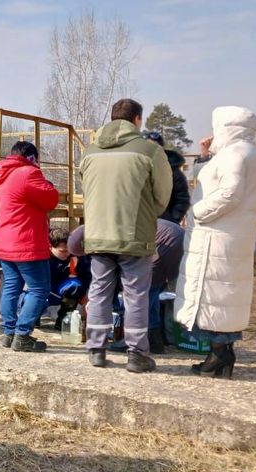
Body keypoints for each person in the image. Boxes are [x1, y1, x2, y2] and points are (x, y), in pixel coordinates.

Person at [80, 98, 172, 372]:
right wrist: (144, 213)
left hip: (98, 234)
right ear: (137, 120)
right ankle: (136, 354)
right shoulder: (150, 151)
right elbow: (162, 197)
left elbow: (88, 192)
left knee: (99, 292)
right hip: (134, 234)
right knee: (135, 295)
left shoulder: (90, 152)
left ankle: (96, 349)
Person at [175, 106, 256, 378]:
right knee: (224, 297)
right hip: (230, 236)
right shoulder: (249, 152)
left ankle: (219, 354)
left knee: (214, 296)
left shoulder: (235, 154)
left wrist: (199, 212)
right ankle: (222, 356)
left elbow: (229, 192)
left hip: (216, 237)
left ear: (228, 127)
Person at [0, 140, 59, 352]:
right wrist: (44, 178)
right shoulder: (29, 173)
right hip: (26, 243)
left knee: (11, 287)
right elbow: (51, 200)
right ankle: (22, 334)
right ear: (31, 157)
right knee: (39, 288)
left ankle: (8, 333)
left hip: (2, 243)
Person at [68, 219, 184, 353]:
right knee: (151, 292)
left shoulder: (103, 237)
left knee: (139, 293)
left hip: (164, 243)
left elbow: (114, 272)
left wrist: (97, 300)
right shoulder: (101, 226)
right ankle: (154, 339)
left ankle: (134, 341)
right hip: (174, 239)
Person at [48, 227, 91, 330]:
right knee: (33, 296)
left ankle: (63, 321)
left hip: (63, 287)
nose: (67, 254)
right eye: (62, 251)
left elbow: (86, 275)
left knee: (76, 286)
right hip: (45, 288)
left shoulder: (76, 256)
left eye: (69, 250)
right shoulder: (42, 257)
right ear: (50, 247)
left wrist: (85, 292)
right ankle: (32, 318)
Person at [145, 131, 191, 224]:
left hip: (165, 224)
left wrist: (173, 219)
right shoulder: (138, 169)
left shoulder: (175, 173)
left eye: (156, 148)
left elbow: (182, 199)